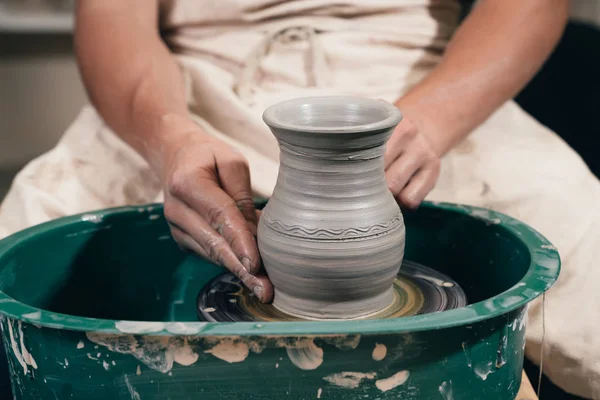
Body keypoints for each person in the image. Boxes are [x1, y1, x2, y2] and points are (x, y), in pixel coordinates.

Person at [0, 0, 598, 397]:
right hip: (184, 87)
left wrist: (436, 118)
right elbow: (112, 17)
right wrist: (168, 138)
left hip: (421, 80)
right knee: (28, 265)